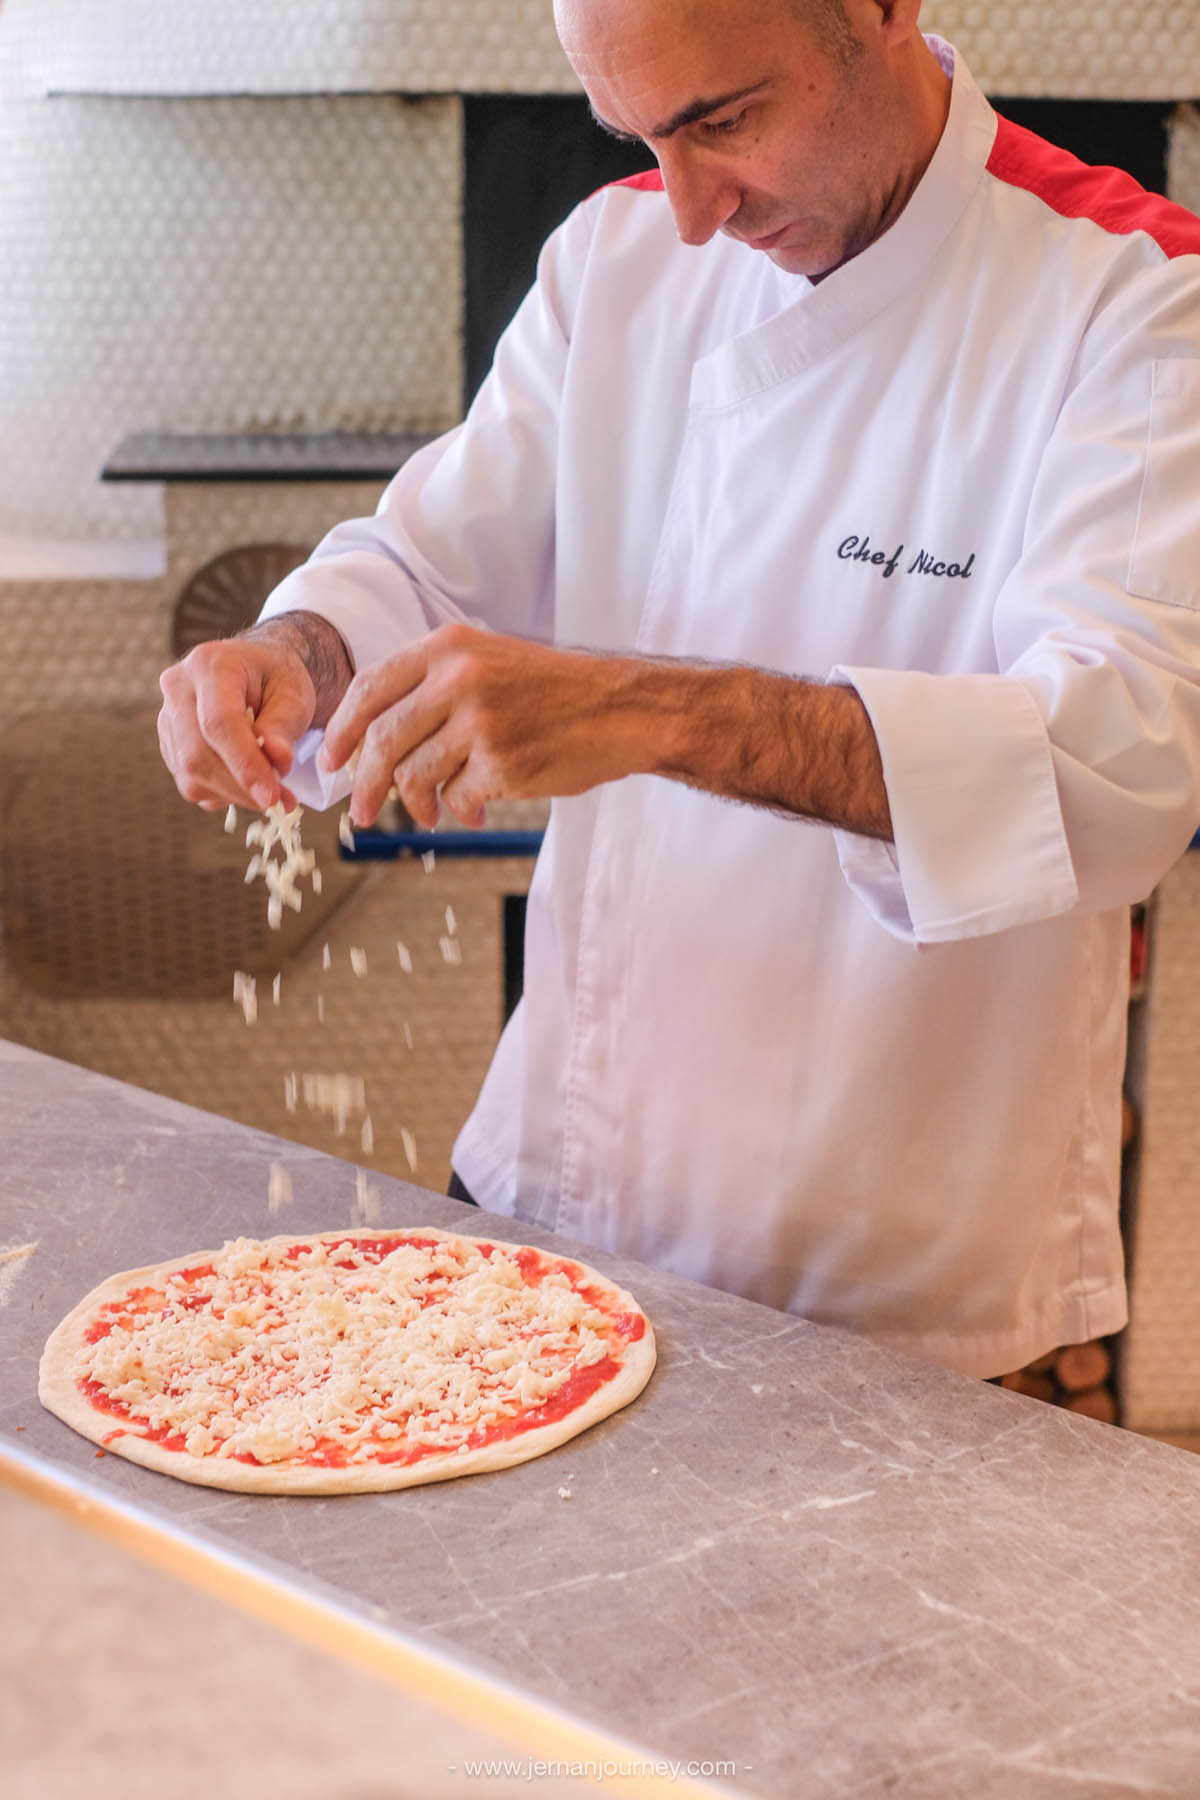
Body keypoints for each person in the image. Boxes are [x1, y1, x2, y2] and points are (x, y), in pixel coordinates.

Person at [157, 0, 1200, 1379]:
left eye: (725, 119)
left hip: (897, 1298)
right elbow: (427, 562)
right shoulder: (615, 256)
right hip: (550, 1204)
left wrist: (645, 711)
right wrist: (299, 653)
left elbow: (1115, 768)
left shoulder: (1135, 296)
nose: (693, 209)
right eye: (640, 135)